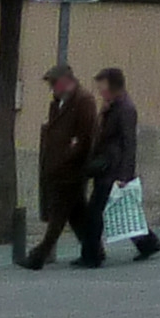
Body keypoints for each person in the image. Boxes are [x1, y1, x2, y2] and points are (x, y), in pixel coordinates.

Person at [21, 61, 100, 270]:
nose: (52, 88)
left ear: (66, 82)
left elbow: (85, 139)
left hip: (72, 170)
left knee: (58, 215)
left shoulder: (84, 101)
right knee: (76, 214)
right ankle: (94, 250)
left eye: (54, 83)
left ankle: (39, 255)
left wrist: (68, 156)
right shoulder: (57, 103)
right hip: (57, 168)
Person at [87, 67, 143, 266]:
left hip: (113, 169)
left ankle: (92, 256)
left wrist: (125, 175)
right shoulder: (112, 106)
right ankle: (148, 243)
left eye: (102, 87)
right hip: (107, 167)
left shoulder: (126, 109)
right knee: (121, 209)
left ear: (113, 86)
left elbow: (129, 144)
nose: (100, 91)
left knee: (95, 212)